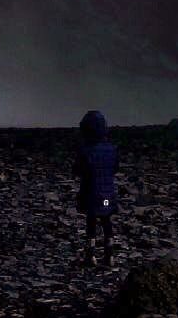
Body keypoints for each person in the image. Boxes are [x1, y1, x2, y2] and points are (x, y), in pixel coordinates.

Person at [73, 109, 120, 266]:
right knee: (107, 220)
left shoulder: (85, 150)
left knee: (91, 222)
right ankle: (109, 255)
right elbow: (115, 169)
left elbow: (78, 170)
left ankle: (91, 255)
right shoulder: (112, 149)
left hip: (91, 194)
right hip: (107, 195)